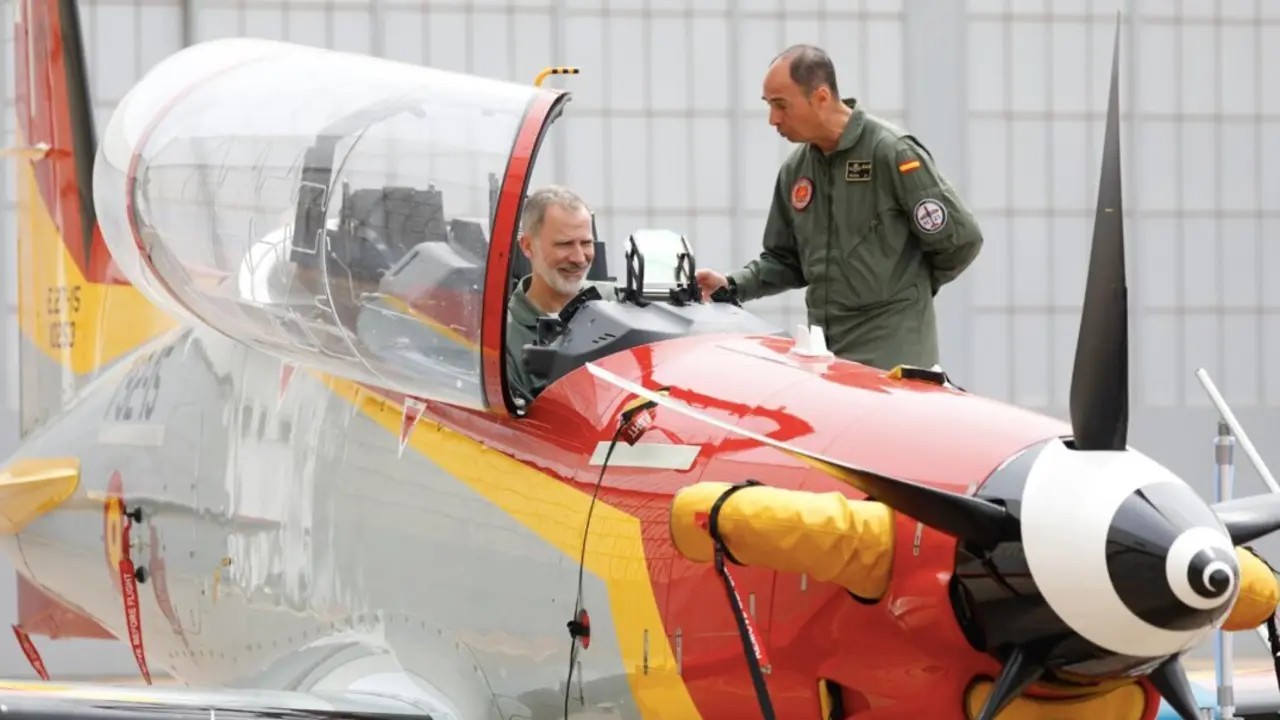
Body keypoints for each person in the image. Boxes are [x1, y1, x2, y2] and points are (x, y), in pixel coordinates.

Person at [696, 44, 983, 372]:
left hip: (893, 360)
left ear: (820, 97)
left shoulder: (892, 154)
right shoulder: (797, 171)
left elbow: (961, 240)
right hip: (824, 358)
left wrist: (909, 289)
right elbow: (786, 260)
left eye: (781, 105)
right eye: (769, 105)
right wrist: (732, 285)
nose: (773, 119)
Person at [506, 185, 618, 405]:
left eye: (586, 243)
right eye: (565, 244)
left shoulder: (621, 304)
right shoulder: (503, 341)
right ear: (528, 246)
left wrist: (706, 298)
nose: (579, 258)